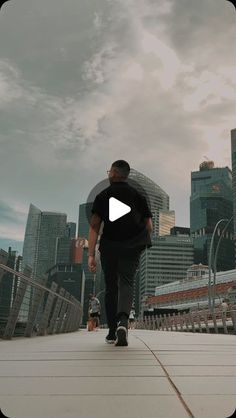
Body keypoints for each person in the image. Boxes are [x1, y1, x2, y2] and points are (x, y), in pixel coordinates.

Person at [88, 160, 153, 346]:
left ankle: (111, 332)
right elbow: (149, 226)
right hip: (131, 247)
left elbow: (94, 227)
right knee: (127, 283)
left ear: (115, 173)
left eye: (109, 171)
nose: (108, 174)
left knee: (110, 288)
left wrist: (91, 254)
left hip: (109, 247)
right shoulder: (138, 196)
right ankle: (123, 322)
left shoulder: (103, 195)